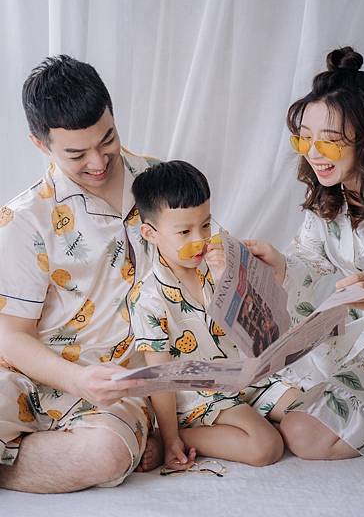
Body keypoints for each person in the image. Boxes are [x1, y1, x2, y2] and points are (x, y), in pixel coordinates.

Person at [0, 55, 162, 493]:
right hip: (29, 371)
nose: (98, 161)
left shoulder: (158, 183)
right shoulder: (25, 218)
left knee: (105, 455)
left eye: (107, 139)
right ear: (41, 145)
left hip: (115, 384)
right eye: (76, 153)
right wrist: (75, 379)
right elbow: (12, 337)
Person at [247, 46, 364, 460]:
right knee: (243, 369)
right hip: (353, 340)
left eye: (330, 142)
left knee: (304, 433)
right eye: (305, 139)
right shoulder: (330, 200)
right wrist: (279, 265)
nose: (314, 153)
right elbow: (310, 263)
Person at [130, 160, 296, 470]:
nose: (199, 239)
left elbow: (259, 329)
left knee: (310, 413)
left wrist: (227, 281)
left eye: (205, 226)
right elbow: (160, 376)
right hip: (201, 395)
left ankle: (251, 422)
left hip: (250, 378)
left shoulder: (220, 262)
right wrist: (170, 438)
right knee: (266, 447)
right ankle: (174, 436)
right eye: (184, 231)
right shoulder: (148, 298)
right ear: (150, 233)